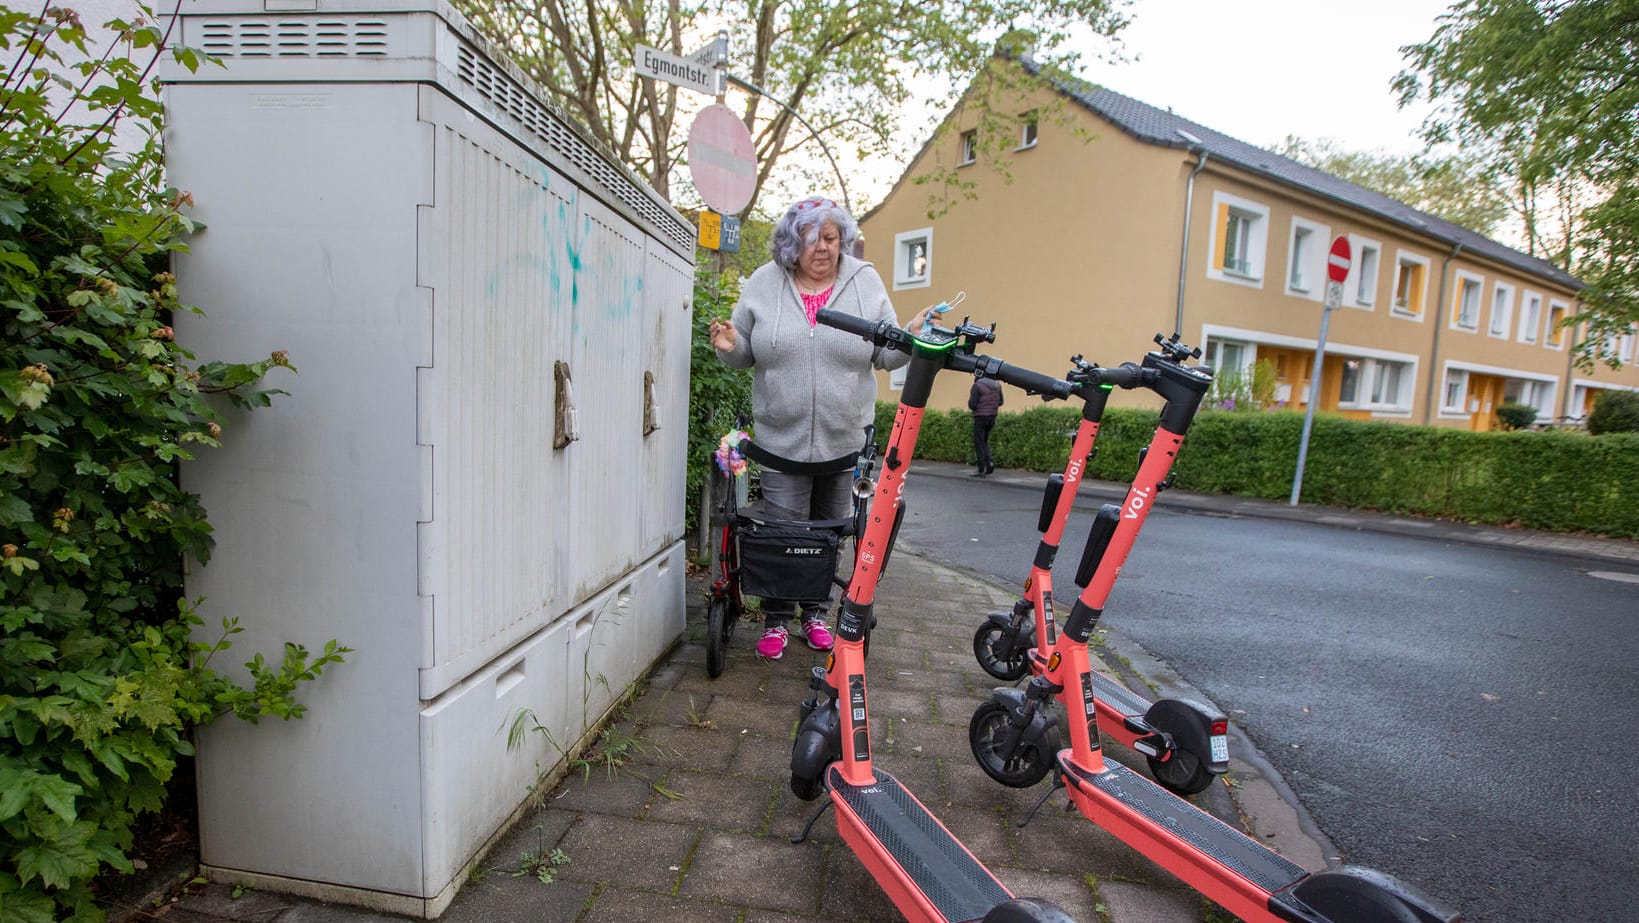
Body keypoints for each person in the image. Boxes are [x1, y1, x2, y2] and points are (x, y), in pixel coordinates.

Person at [708, 195, 939, 660]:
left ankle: (814, 614)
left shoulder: (864, 282)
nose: (822, 248)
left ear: (843, 241)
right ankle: (776, 618)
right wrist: (729, 346)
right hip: (780, 442)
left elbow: (885, 354)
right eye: (811, 239)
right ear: (793, 244)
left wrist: (911, 333)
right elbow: (744, 352)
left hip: (845, 441)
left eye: (831, 238)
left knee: (828, 535)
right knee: (784, 533)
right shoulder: (764, 283)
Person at [968, 376, 1003, 477]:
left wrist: (979, 407)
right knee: (984, 441)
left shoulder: (977, 385)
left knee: (979, 442)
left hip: (980, 417)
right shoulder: (997, 386)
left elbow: (972, 404)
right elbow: (1000, 402)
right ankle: (989, 463)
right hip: (992, 416)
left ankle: (981, 469)